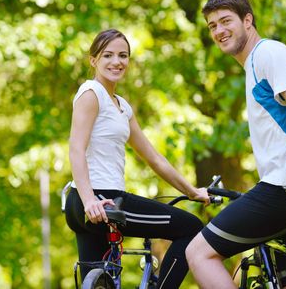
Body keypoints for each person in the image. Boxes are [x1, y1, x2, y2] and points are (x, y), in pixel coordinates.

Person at [185, 0, 286, 289]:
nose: (218, 30)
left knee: (198, 253)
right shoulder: (257, 66)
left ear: (248, 20)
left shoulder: (267, 54)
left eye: (225, 21)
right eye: (212, 25)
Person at [65, 29, 210, 289]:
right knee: (191, 228)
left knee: (99, 281)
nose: (116, 61)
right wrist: (90, 201)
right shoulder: (91, 93)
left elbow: (154, 159)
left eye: (123, 55)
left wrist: (192, 191)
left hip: (86, 206)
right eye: (107, 55)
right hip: (101, 201)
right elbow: (76, 147)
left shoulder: (121, 106)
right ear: (93, 60)